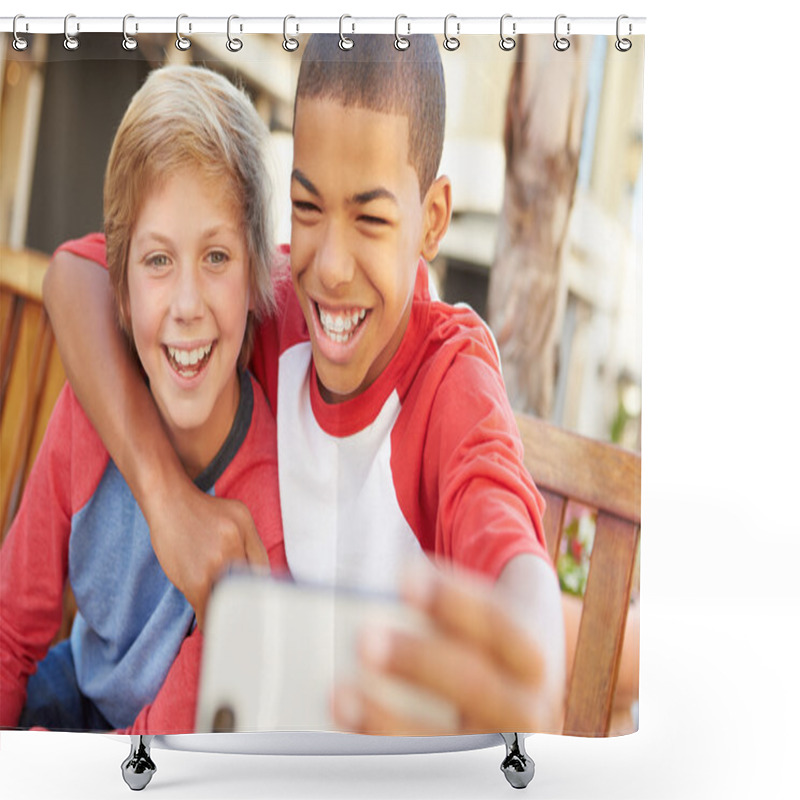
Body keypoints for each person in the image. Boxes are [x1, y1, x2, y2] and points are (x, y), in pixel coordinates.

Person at [43, 35, 566, 735]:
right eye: (308, 207)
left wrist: (529, 655)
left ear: (432, 219)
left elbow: (506, 535)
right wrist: (165, 501)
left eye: (373, 218)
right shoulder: (281, 305)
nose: (332, 267)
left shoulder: (450, 377)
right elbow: (74, 276)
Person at [0, 65, 286, 733]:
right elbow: (13, 628)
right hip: (73, 686)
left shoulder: (261, 509)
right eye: (158, 261)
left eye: (216, 257)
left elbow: (167, 744)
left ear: (255, 279)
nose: (186, 306)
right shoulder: (87, 414)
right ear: (120, 291)